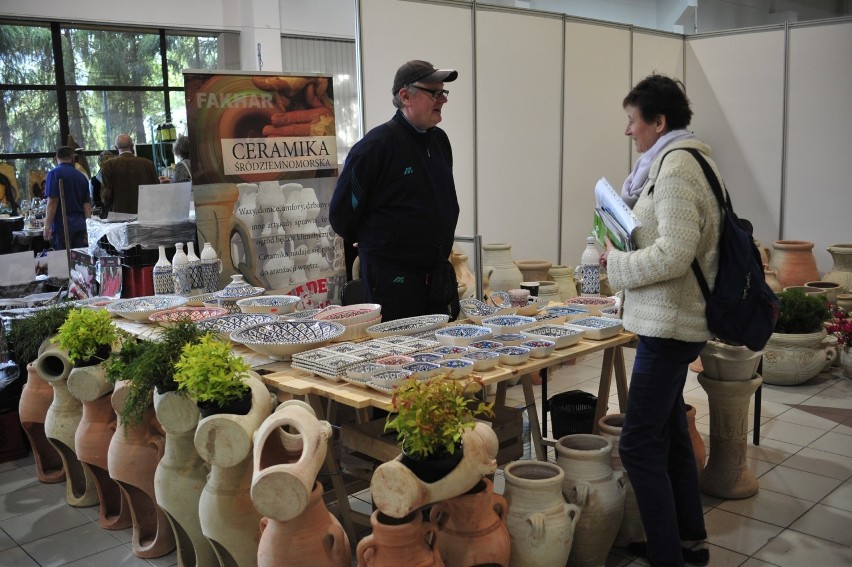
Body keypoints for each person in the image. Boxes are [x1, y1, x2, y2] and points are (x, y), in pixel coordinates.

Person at [600, 74, 723, 567]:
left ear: (659, 121)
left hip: (670, 326)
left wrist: (617, 264)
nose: (629, 131)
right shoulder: (681, 159)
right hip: (670, 322)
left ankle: (668, 556)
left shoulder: (675, 169)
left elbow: (675, 253)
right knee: (670, 434)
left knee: (636, 446)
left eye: (633, 120)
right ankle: (690, 543)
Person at [329, 60, 460, 322]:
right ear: (404, 96)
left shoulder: (440, 141)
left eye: (443, 93)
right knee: (399, 359)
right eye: (434, 93)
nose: (442, 100)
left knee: (437, 357)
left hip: (435, 279)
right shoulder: (374, 148)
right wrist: (374, 236)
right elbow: (342, 215)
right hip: (392, 283)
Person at [43, 146, 92, 249]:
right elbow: (87, 206)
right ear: (73, 158)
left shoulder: (54, 173)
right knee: (78, 261)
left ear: (56, 158)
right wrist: (88, 229)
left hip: (62, 227)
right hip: (80, 226)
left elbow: (52, 203)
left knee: (63, 262)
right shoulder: (82, 177)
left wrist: (47, 226)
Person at [100, 133, 159, 214]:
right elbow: (156, 190)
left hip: (118, 214)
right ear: (132, 146)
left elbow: (106, 195)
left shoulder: (108, 165)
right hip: (145, 213)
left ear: (116, 148)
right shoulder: (148, 164)